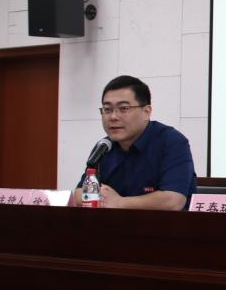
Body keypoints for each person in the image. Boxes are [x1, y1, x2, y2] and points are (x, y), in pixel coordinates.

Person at [75, 75, 197, 210]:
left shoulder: (171, 142)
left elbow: (173, 201)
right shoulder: (104, 146)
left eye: (123, 109)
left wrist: (119, 203)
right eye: (107, 109)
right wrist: (100, 196)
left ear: (146, 112)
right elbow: (79, 193)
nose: (113, 117)